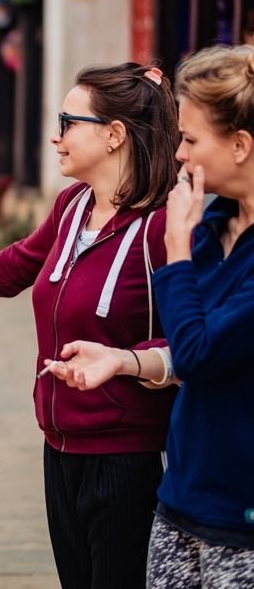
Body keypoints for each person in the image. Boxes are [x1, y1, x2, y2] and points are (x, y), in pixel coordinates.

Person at [0, 63, 181, 589]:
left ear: (115, 134)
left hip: (130, 455)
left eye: (68, 122)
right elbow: (20, 262)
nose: (55, 136)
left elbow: (190, 337)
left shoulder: (161, 226)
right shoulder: (73, 206)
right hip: (59, 445)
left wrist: (125, 361)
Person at [43, 44, 254, 587]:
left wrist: (177, 248)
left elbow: (197, 352)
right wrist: (121, 360)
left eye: (189, 140)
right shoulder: (215, 231)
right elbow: (183, 353)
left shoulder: (184, 234)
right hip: (182, 495)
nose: (178, 154)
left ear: (240, 146)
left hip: (237, 511)